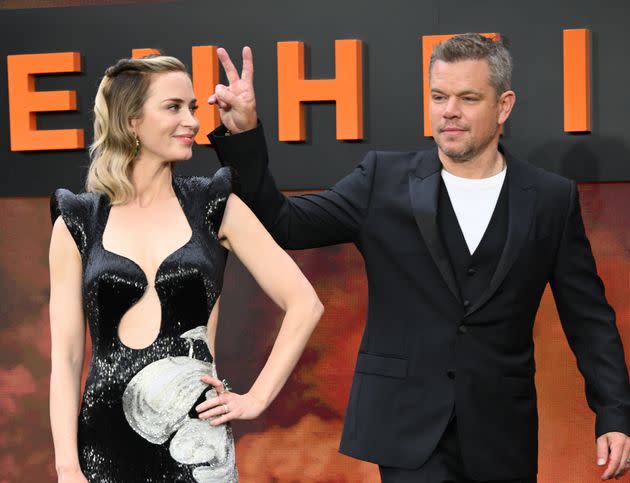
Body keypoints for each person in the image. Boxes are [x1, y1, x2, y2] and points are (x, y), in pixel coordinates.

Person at [207, 35, 630, 482]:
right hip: (407, 427)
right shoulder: (381, 179)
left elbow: (589, 318)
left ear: (504, 106)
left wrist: (615, 414)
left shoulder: (549, 199)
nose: (449, 110)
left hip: (502, 431)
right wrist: (245, 133)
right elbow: (285, 223)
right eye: (439, 97)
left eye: (468, 98)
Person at [48, 55, 323, 483]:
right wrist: (67, 466)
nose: (192, 121)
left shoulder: (214, 205)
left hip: (197, 444)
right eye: (174, 107)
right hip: (102, 446)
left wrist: (255, 398)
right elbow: (65, 359)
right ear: (132, 121)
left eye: (193, 107)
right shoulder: (78, 220)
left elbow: (305, 302)